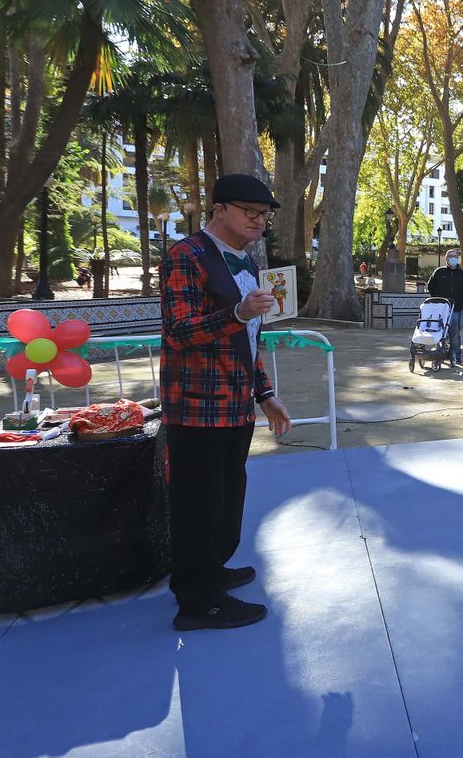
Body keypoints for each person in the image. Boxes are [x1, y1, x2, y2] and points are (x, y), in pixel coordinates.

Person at [161, 173, 292, 630]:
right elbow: (179, 332)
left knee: (226, 497)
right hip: (196, 404)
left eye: (264, 215)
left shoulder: (248, 263)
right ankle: (197, 600)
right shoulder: (187, 255)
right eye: (250, 212)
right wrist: (236, 313)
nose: (259, 221)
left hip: (236, 405)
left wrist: (266, 395)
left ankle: (212, 569)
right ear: (220, 210)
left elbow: (248, 341)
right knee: (197, 503)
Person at [425, 248, 463, 367]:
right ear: (446, 259)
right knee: (439, 332)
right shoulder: (439, 272)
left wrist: (462, 304)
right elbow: (430, 286)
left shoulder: (462, 274)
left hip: (455, 309)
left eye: (455, 256)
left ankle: (456, 356)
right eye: (450, 256)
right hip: (440, 309)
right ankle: (439, 354)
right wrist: (437, 300)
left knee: (454, 333)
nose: (453, 258)